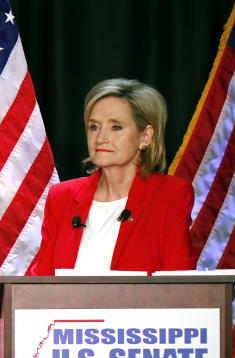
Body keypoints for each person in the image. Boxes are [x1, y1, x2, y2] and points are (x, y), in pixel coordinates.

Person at [27, 78, 197, 275]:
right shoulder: (62, 196)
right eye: (94, 127)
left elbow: (179, 287)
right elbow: (40, 283)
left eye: (116, 127)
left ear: (145, 136)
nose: (100, 138)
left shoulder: (170, 195)